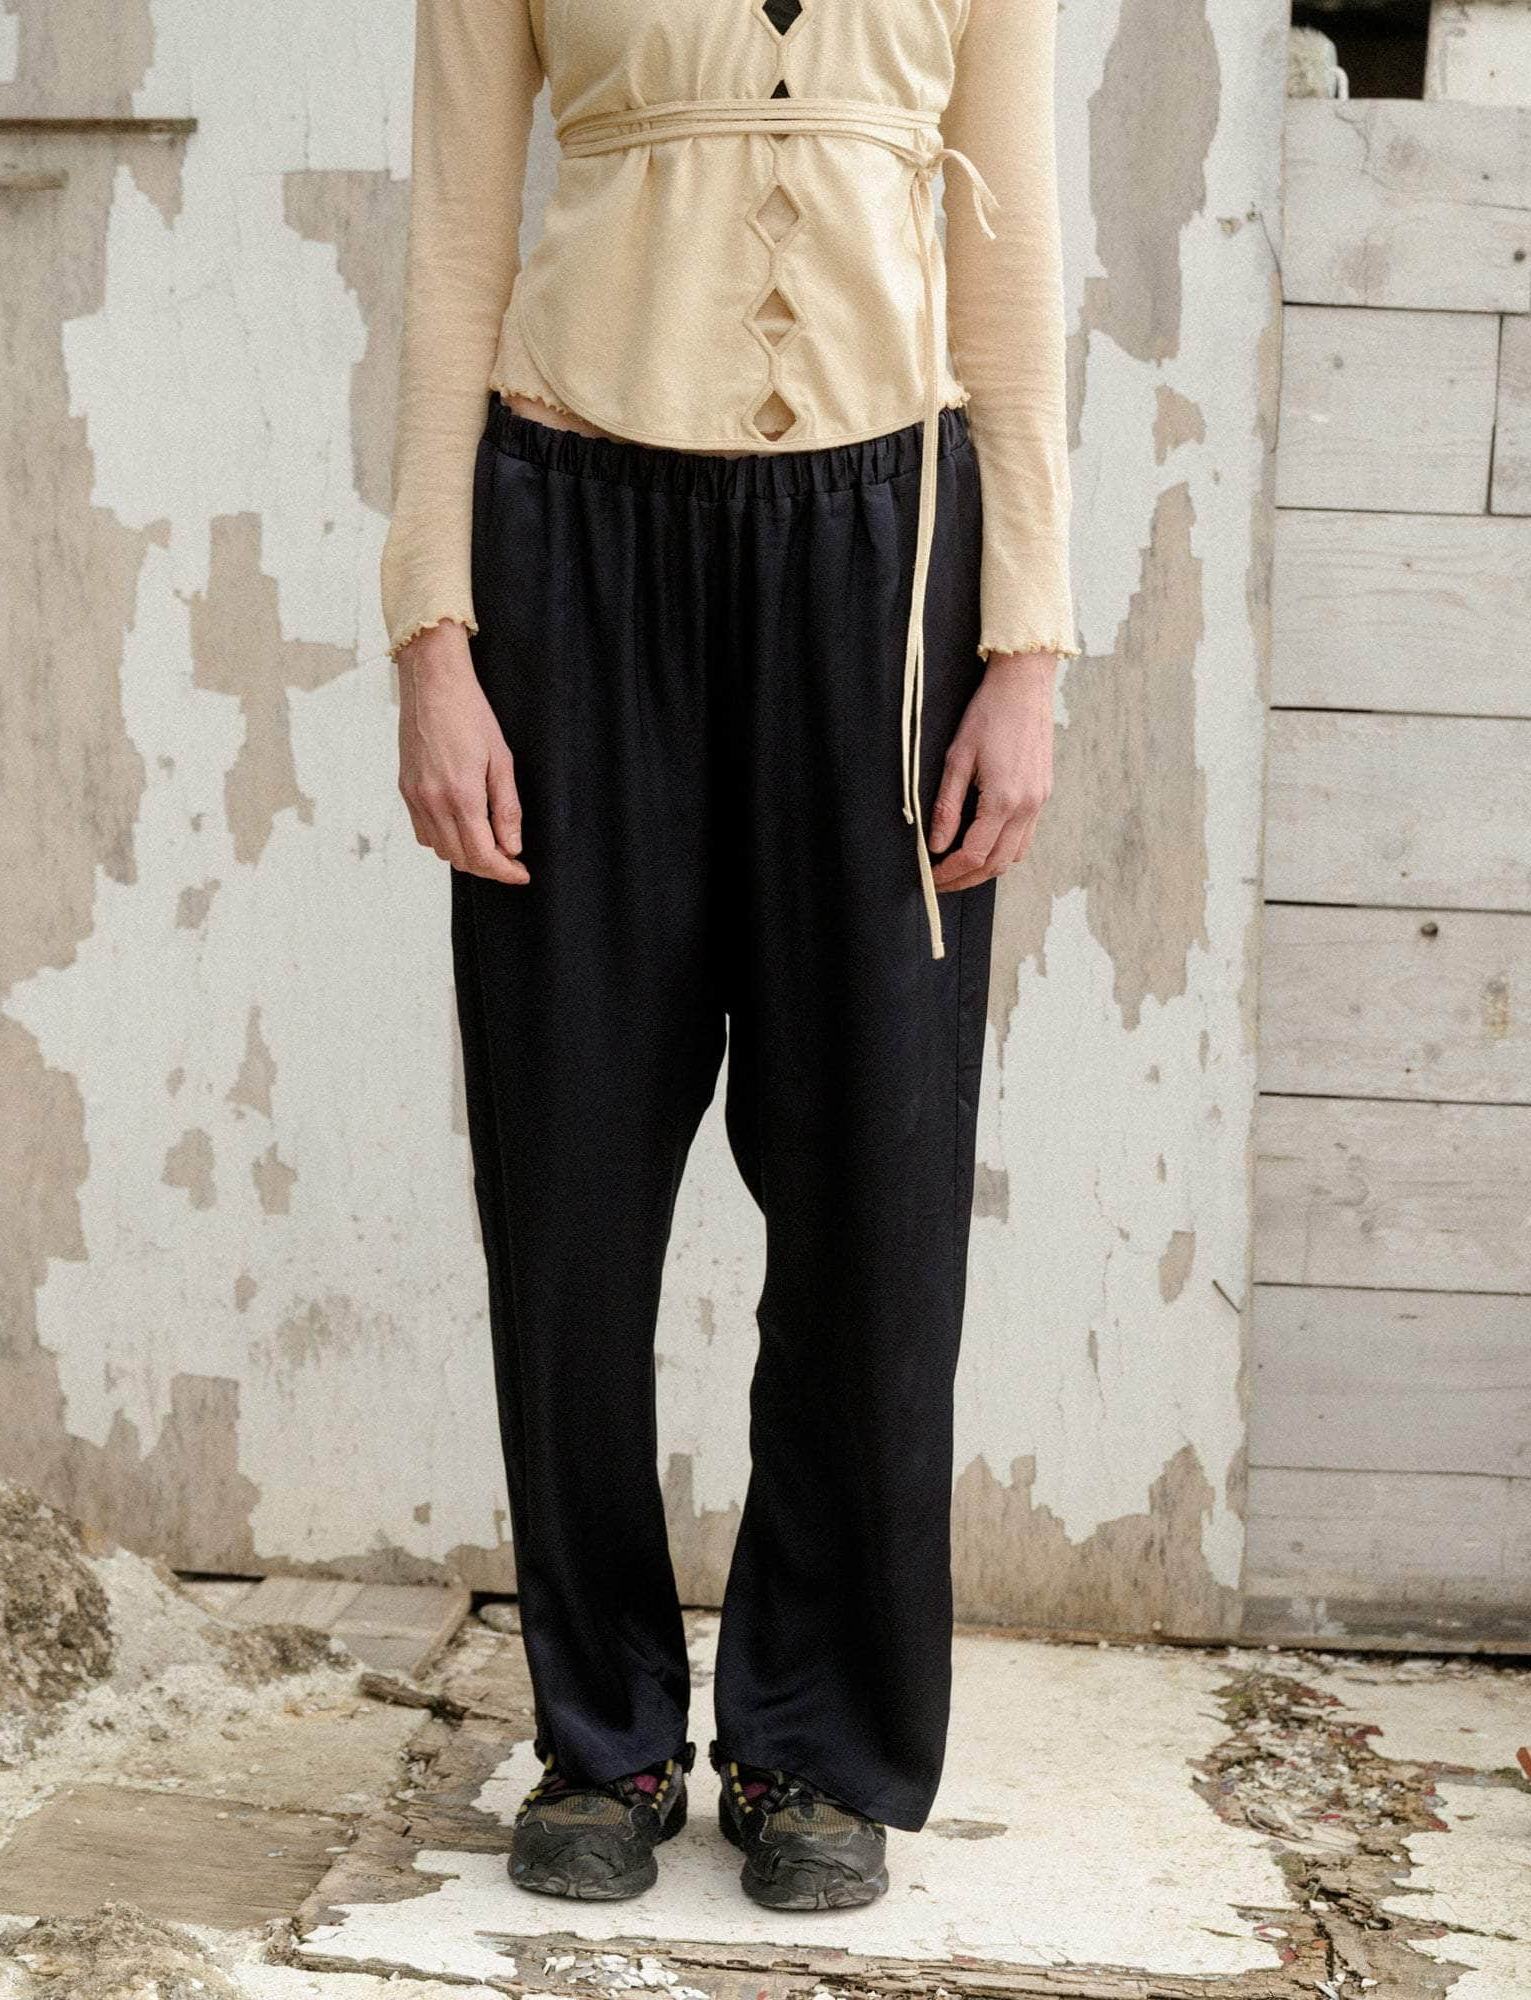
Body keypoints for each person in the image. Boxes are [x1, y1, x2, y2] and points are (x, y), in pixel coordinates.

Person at [381, 0, 1078, 1913]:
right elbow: (451, 246)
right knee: (572, 1192)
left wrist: (1027, 647)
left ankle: (813, 1745)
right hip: (575, 544)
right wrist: (434, 635)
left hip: (885, 557)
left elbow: (1015, 271)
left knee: (875, 1194)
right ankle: (598, 1735)